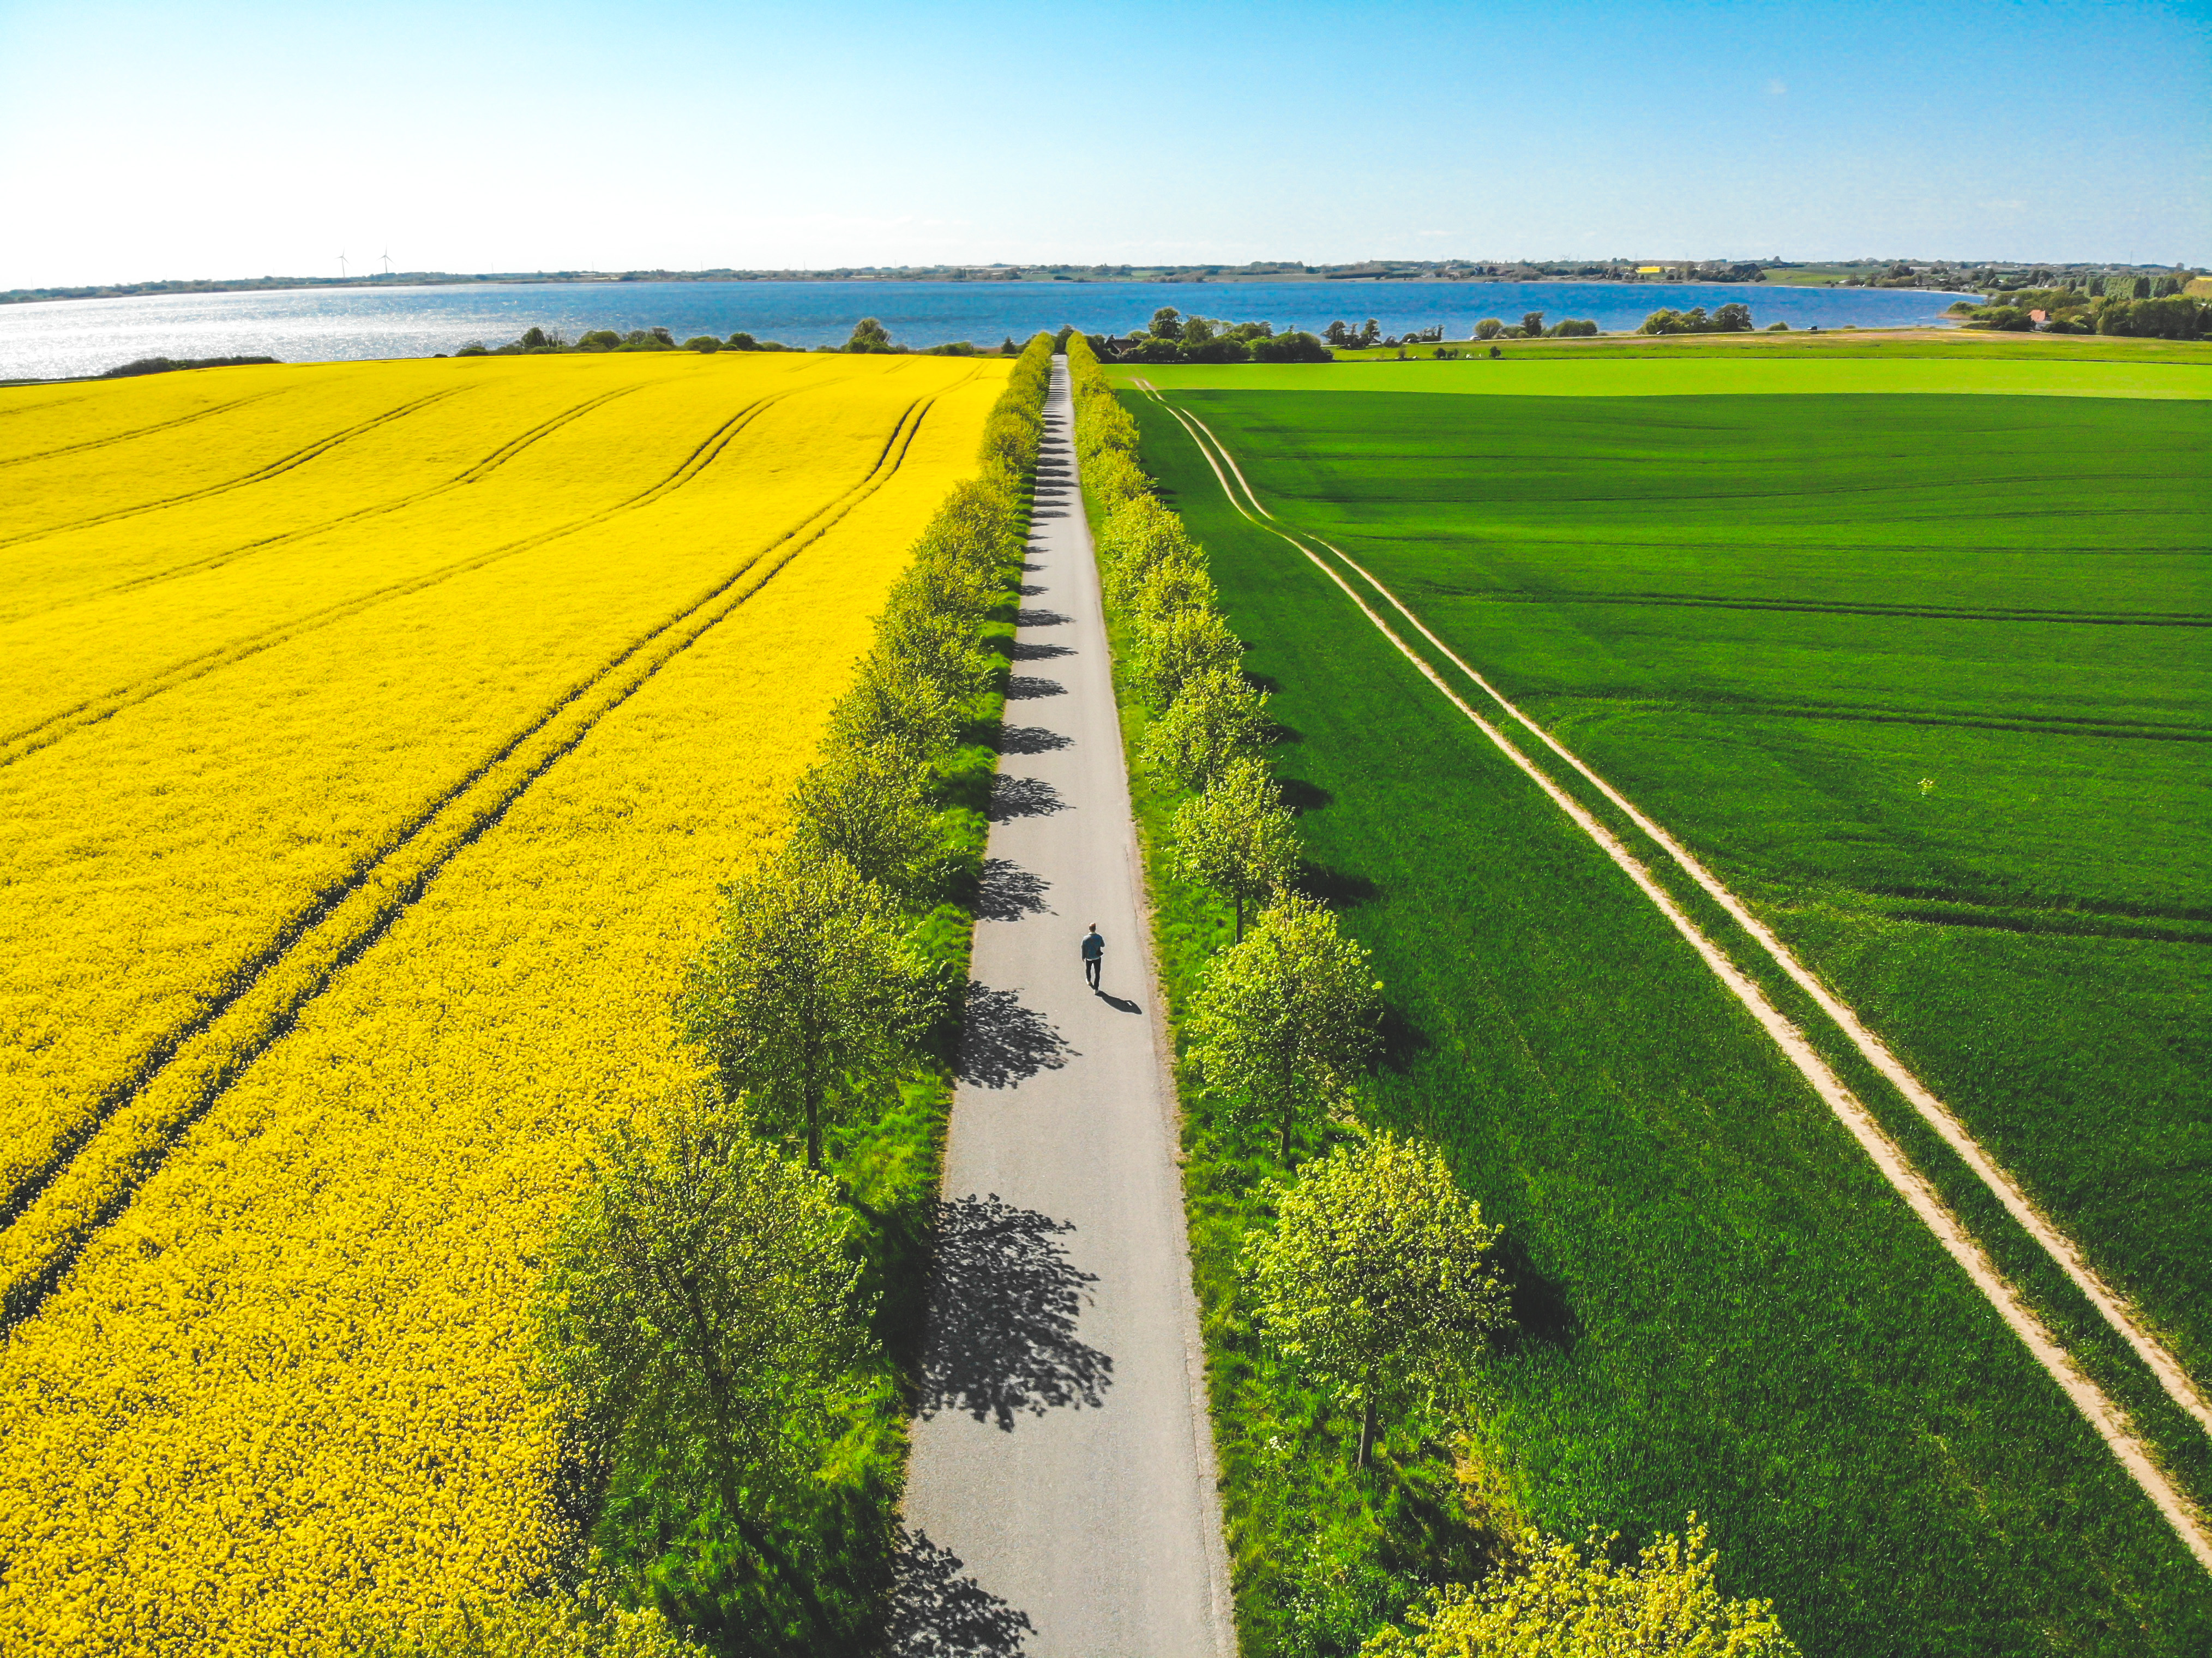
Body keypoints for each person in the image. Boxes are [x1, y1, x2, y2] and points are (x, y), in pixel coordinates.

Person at [1080, 923, 1104, 990]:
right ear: (1095, 929)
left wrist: (1083, 956)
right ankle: (1096, 989)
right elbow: (1103, 945)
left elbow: (1083, 948)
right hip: (1097, 957)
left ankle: (1089, 980)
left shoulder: (1085, 938)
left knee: (1088, 969)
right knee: (1097, 973)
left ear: (1089, 929)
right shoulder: (1099, 937)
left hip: (1089, 957)